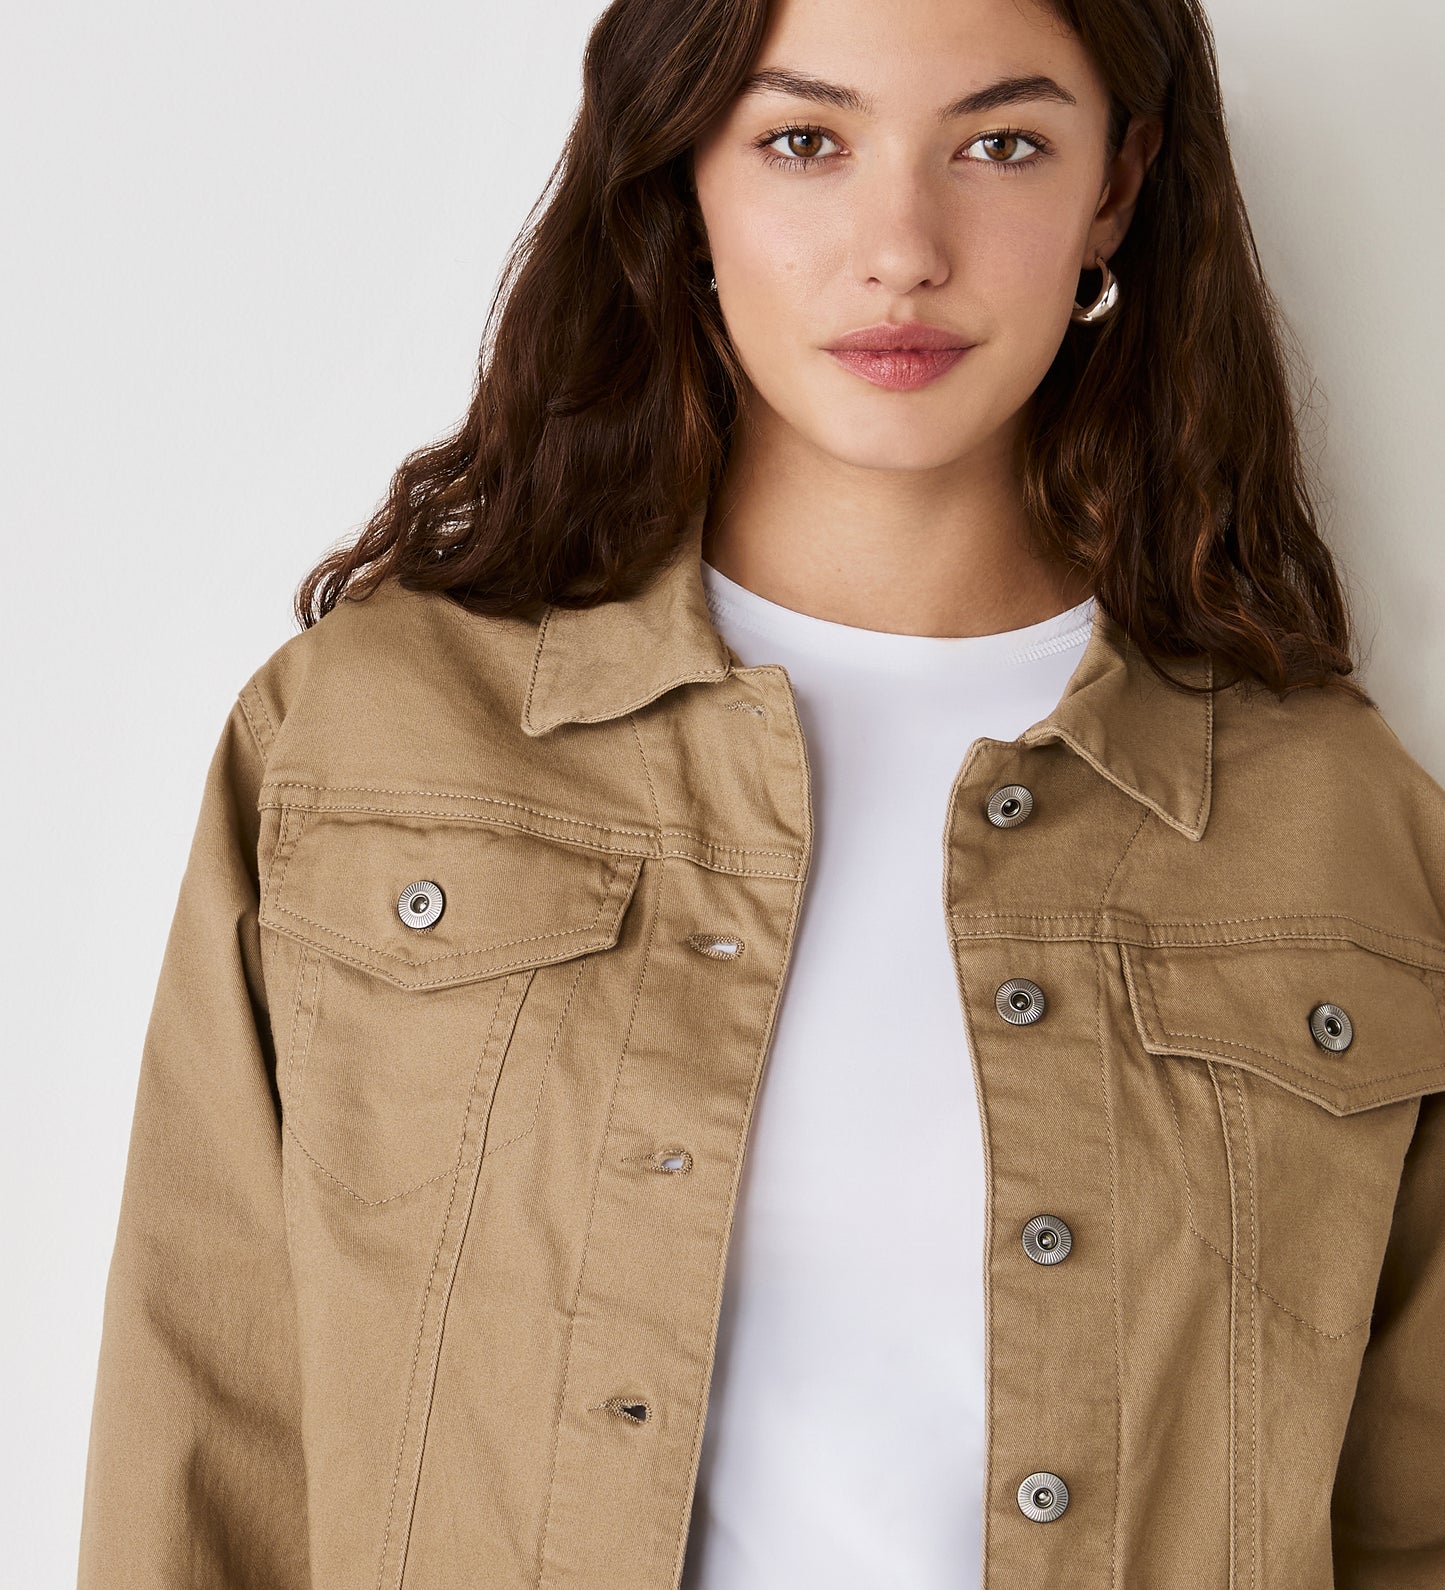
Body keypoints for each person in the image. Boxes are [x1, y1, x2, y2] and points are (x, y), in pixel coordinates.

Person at [77, 0, 1445, 1585]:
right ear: (682, 184)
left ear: (1114, 191)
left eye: (1001, 144)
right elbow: (213, 1427)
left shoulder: (1333, 825)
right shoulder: (375, 741)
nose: (901, 248)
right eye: (804, 140)